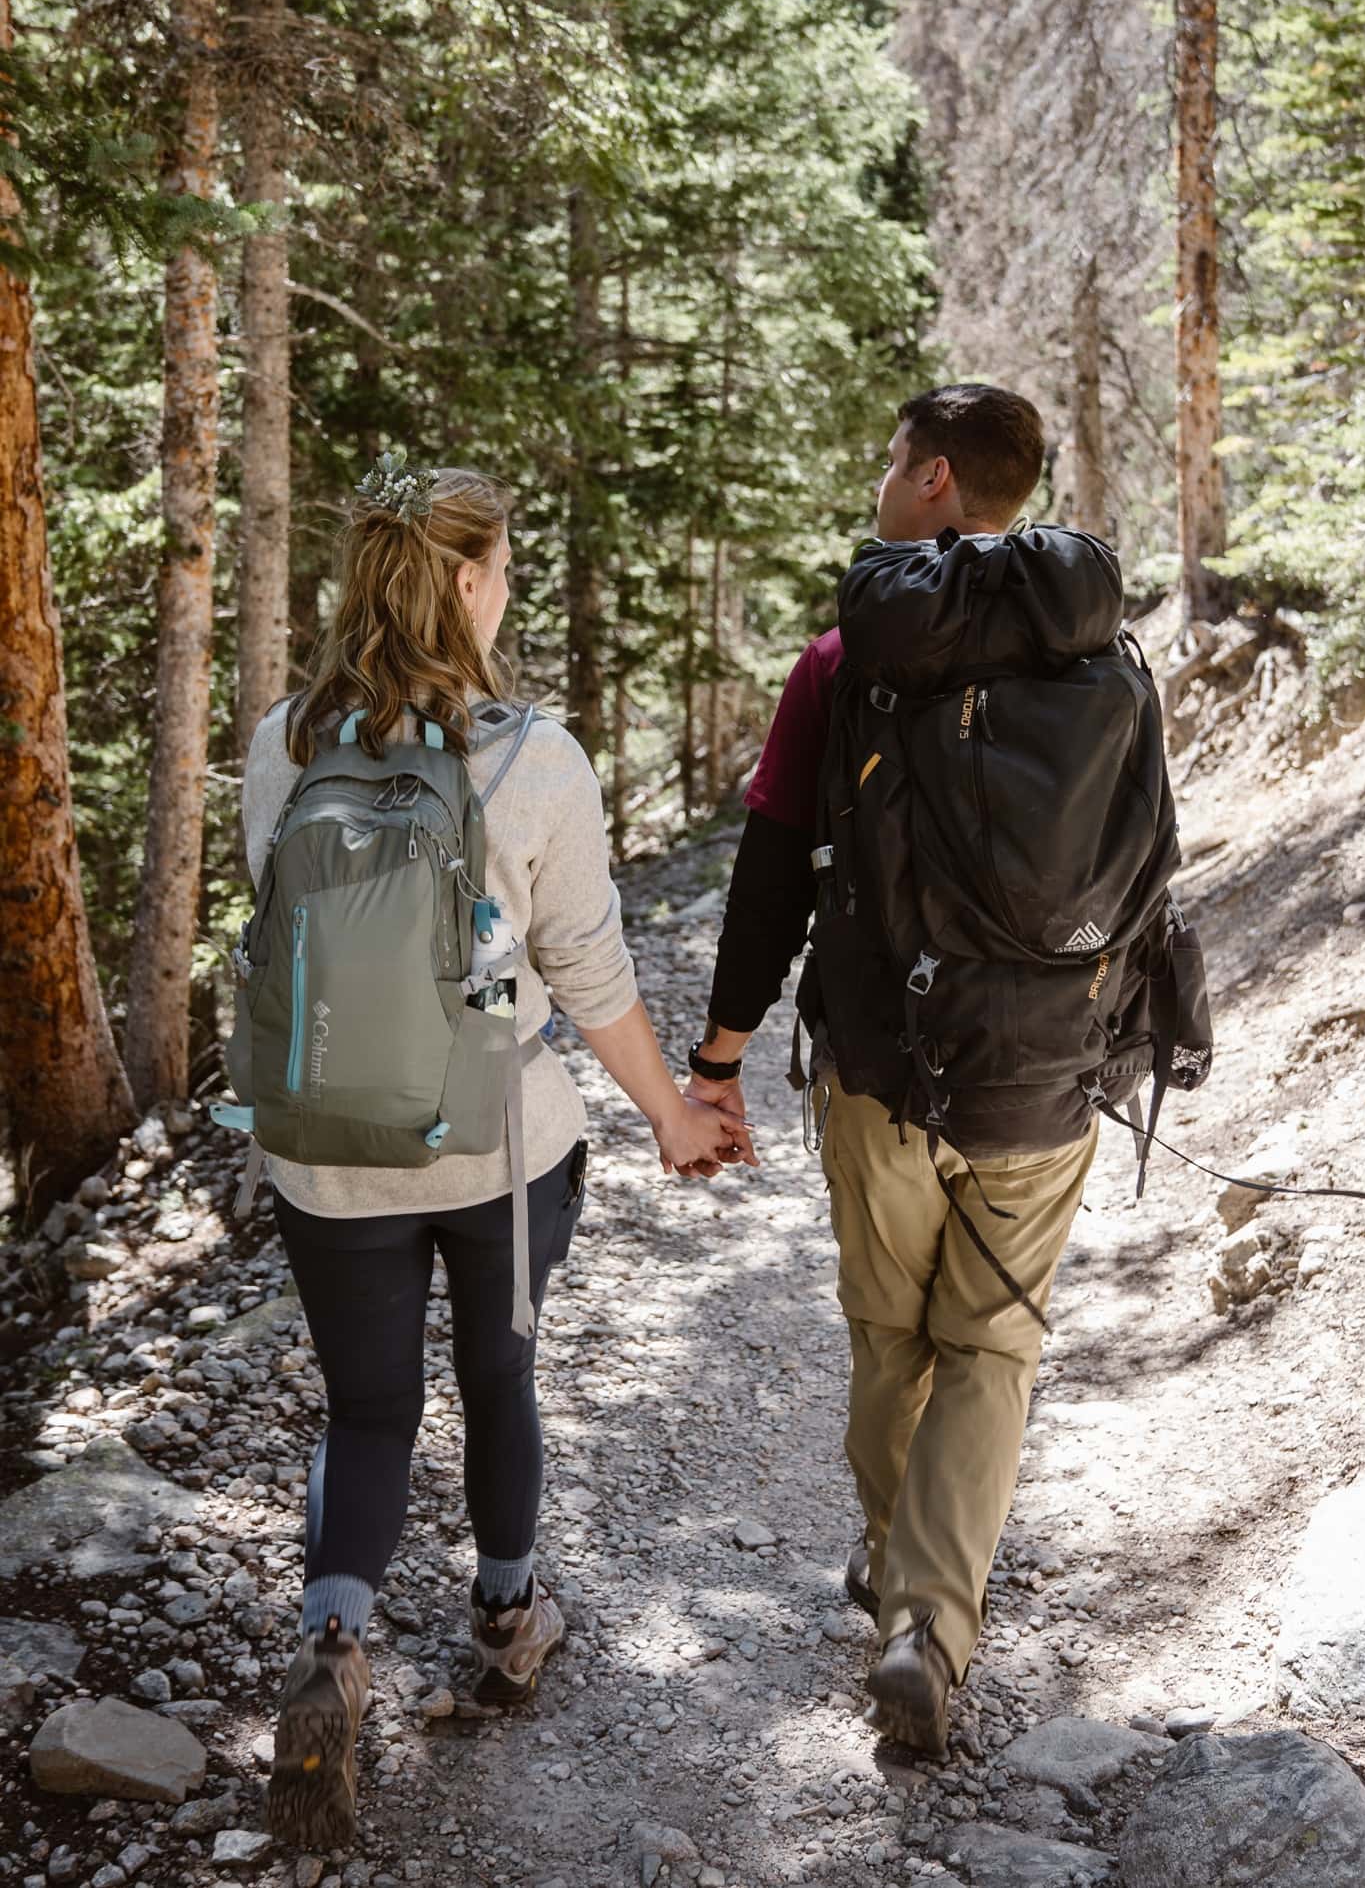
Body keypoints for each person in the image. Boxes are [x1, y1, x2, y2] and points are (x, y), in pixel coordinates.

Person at [240, 459, 753, 1849]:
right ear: (464, 582)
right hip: (499, 1149)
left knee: (365, 1409)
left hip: (325, 1153)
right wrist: (670, 1109)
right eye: (504, 564)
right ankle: (509, 1615)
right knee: (497, 1369)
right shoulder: (536, 756)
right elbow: (587, 971)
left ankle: (333, 1641)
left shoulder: (287, 739)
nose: (510, 584)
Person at [685, 383, 1100, 1755]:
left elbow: (768, 879)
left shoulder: (838, 663)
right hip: (1045, 1077)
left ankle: (895, 1573)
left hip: (879, 1066)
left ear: (930, 480)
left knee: (893, 1332)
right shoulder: (1104, 662)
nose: (878, 479)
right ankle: (932, 1620)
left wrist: (719, 1055)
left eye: (887, 458)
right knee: (993, 1346)